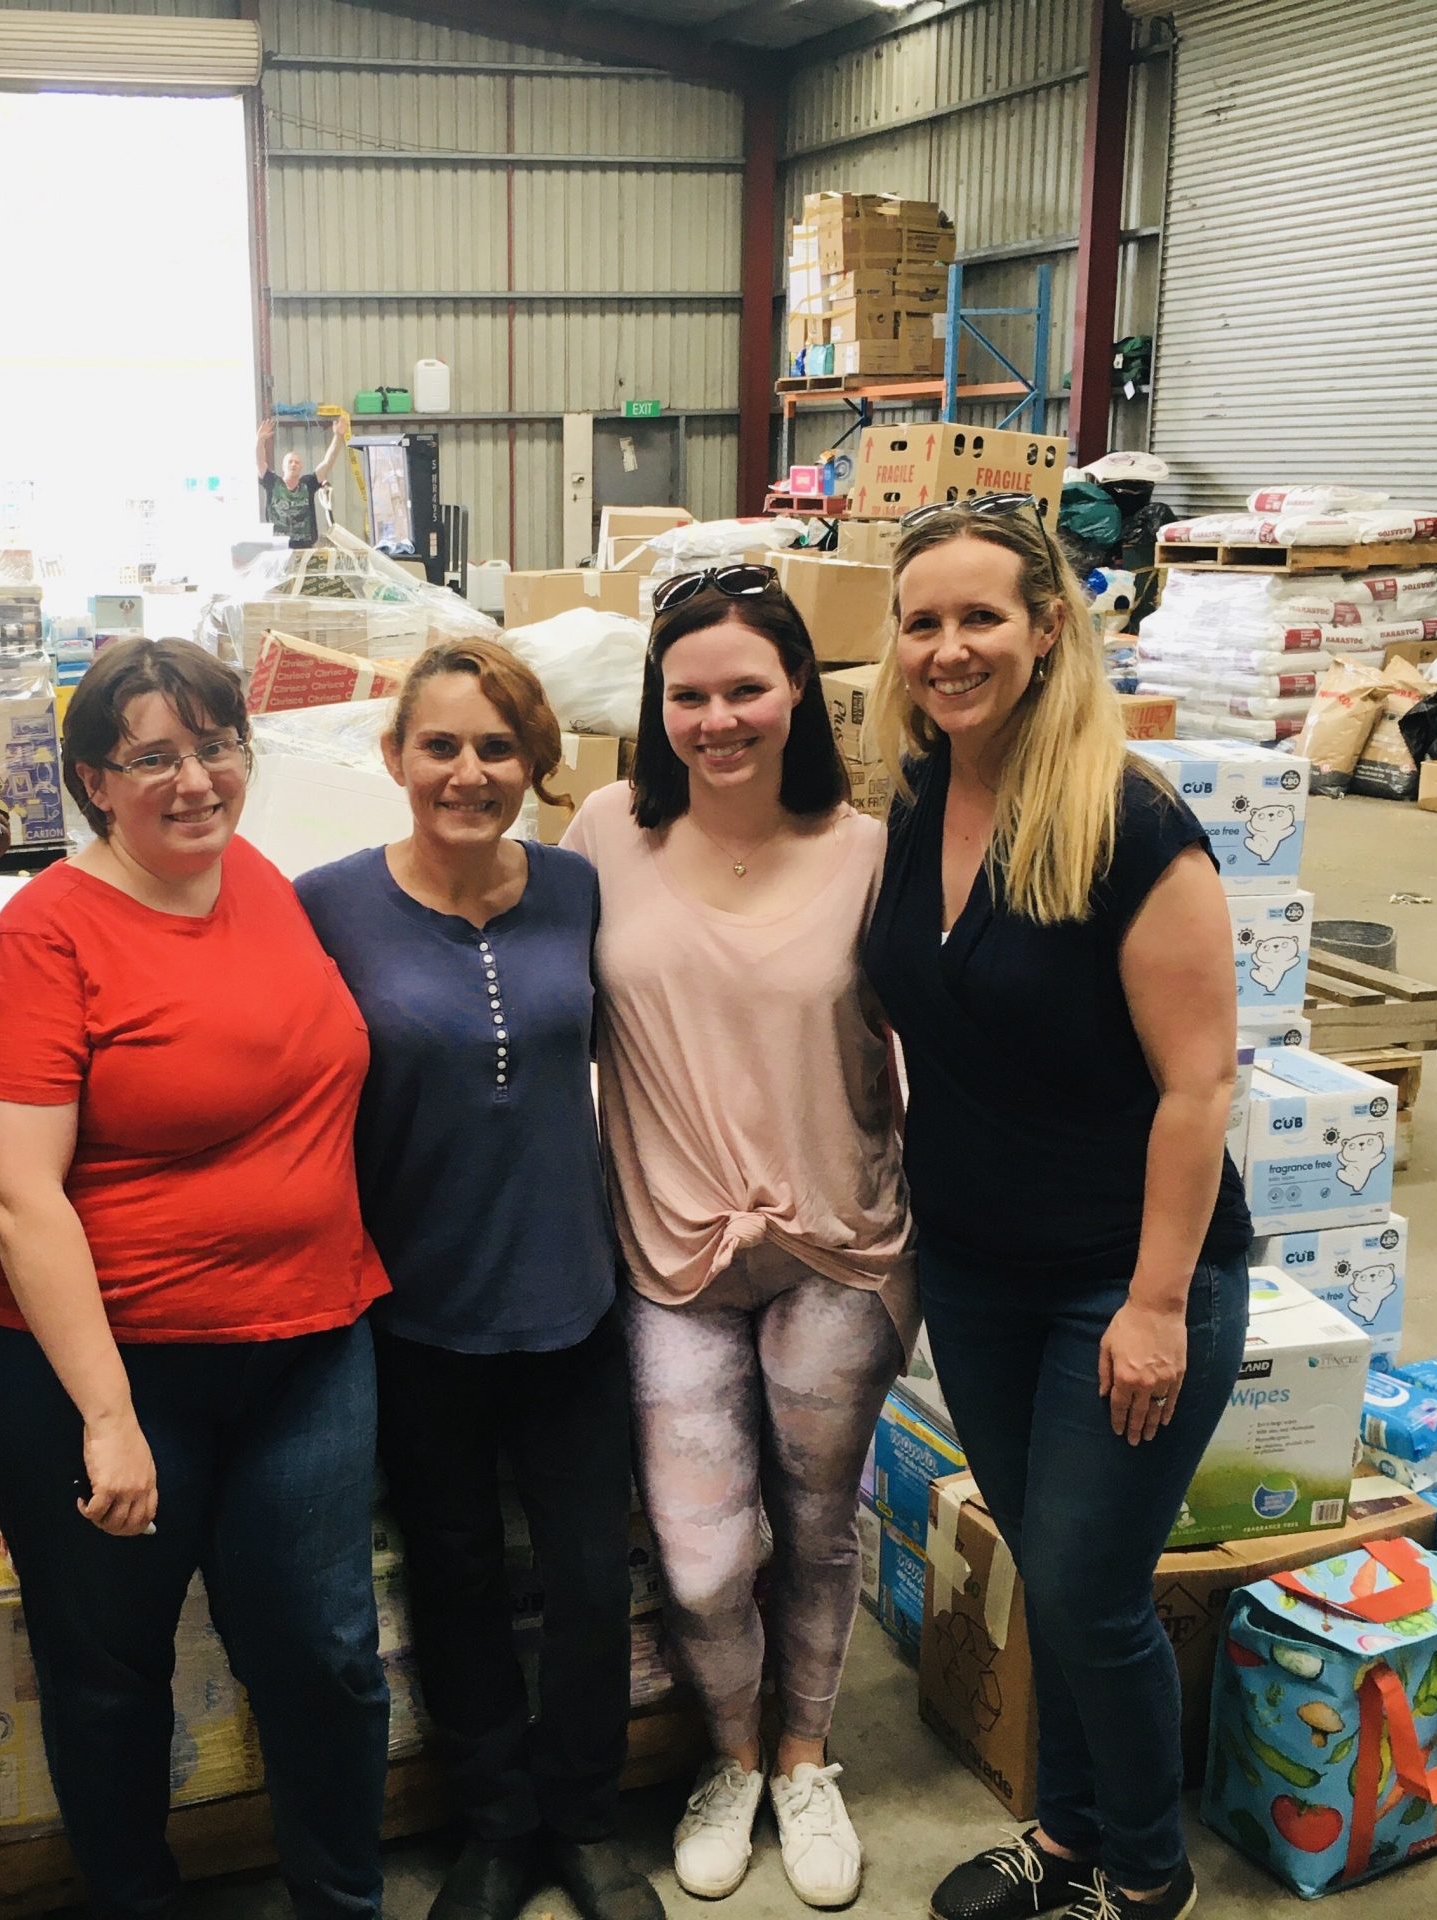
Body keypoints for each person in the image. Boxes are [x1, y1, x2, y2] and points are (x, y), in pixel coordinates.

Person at [0, 637, 393, 1920]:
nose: (194, 782)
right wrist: (106, 1416)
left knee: (323, 1654)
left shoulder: (255, 878)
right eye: (151, 759)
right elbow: (16, 1196)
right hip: (100, 1372)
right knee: (111, 1671)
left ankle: (341, 1905)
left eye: (215, 747)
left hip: (304, 1336)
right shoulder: (41, 945)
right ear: (92, 781)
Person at [860, 497, 1250, 1920]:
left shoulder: (1130, 826)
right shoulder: (918, 802)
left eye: (980, 617)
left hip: (1119, 1278)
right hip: (977, 1270)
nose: (949, 648)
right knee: (1049, 1568)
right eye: (922, 622)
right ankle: (1072, 1837)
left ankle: (1146, 1879)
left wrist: (1155, 1303)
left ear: (1045, 629)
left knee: (1090, 1589)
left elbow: (1199, 1085)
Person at [561, 569, 914, 1912]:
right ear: (657, 707)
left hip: (840, 1247)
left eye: (745, 689)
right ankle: (730, 1756)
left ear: (797, 693)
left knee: (816, 1528)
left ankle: (805, 1759)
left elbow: (942, 1039)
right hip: (669, 1257)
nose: (717, 719)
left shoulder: (869, 852)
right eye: (688, 694)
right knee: (704, 1555)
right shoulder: (606, 834)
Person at [295, 642, 661, 1920]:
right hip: (417, 1316)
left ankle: (585, 1818)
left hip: (572, 1303)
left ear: (534, 764)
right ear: (394, 758)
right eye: (439, 746)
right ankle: (496, 1825)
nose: (467, 773)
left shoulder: (578, 890)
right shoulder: (327, 906)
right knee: (453, 1579)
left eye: (497, 748)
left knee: (586, 1579)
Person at [259, 413, 353, 550]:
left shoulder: (308, 484)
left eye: (297, 462)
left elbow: (328, 462)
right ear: (283, 466)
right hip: (278, 548)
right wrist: (260, 440)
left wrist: (338, 437)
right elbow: (259, 462)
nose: (293, 464)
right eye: (290, 462)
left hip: (305, 548)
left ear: (301, 467)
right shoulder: (272, 482)